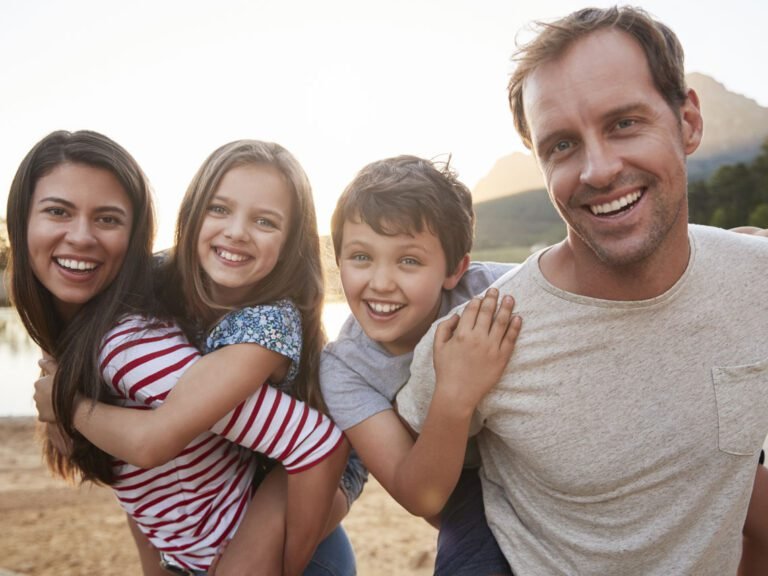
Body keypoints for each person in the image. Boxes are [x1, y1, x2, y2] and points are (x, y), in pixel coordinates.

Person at [396, 6, 768, 575]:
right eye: (562, 145)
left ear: (688, 121)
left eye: (624, 123)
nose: (598, 170)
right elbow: (432, 492)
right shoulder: (479, 337)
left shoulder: (756, 277)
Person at [17, 134, 351, 575]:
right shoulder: (147, 294)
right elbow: (136, 482)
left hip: (291, 514)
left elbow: (314, 442)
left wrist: (67, 404)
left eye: (107, 219)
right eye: (58, 211)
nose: (80, 237)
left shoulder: (139, 343)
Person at [320, 155, 521, 575]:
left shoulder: (497, 293)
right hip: (466, 488)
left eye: (408, 260)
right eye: (361, 257)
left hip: (534, 457)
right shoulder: (345, 369)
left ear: (455, 269)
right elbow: (421, 497)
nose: (380, 283)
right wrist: (453, 394)